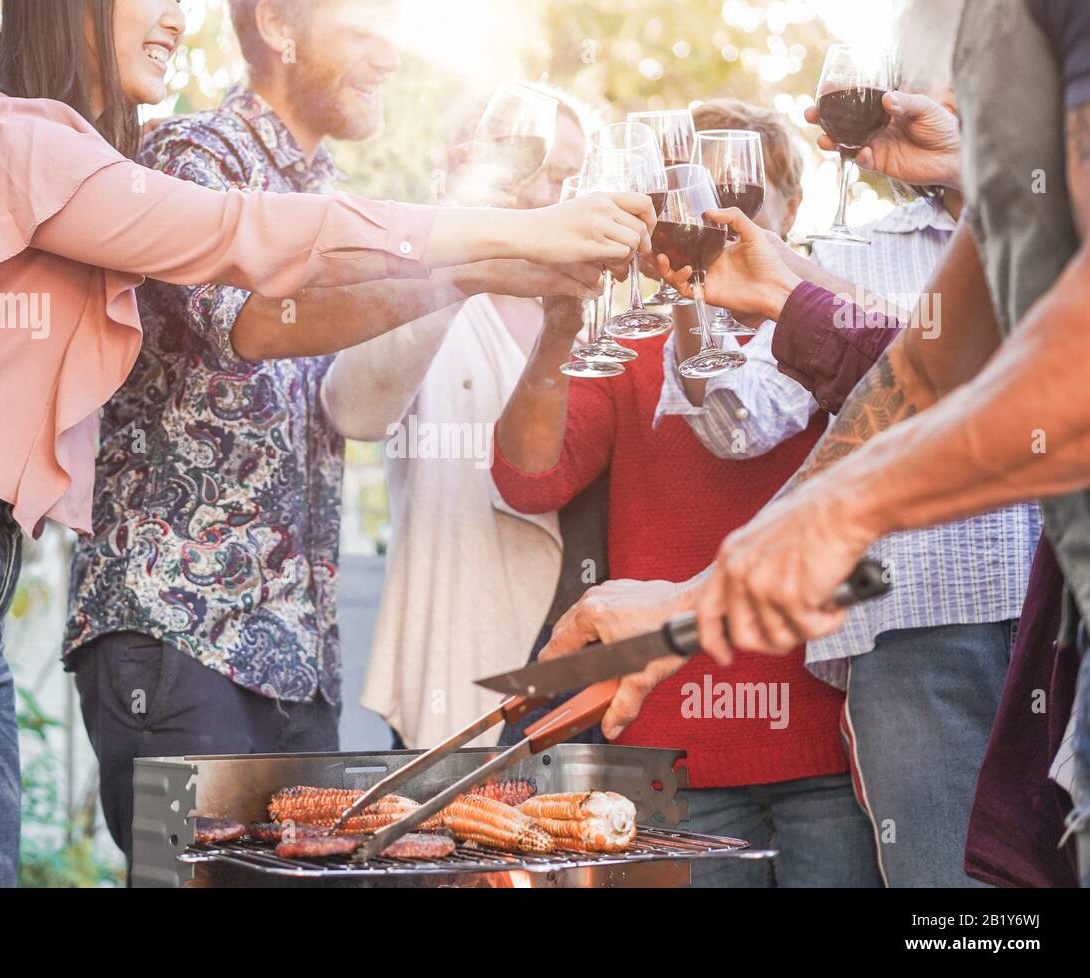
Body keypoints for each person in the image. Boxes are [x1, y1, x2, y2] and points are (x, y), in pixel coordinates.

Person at [0, 0, 655, 888]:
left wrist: (489, 267)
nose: (175, 17)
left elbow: (313, 264)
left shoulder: (74, 161)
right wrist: (518, 232)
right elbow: (242, 239)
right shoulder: (10, 130)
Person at [544, 0, 1090, 887]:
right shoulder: (985, 122)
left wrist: (820, 524)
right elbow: (923, 372)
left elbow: (1067, 367)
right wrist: (702, 589)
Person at [61, 3, 609, 863]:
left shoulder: (330, 198)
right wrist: (456, 260)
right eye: (366, 30)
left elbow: (350, 406)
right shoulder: (192, 156)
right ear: (278, 26)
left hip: (298, 655)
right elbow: (248, 322)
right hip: (181, 631)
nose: (391, 58)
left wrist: (470, 272)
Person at [490, 100, 879, 887]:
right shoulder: (635, 337)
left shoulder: (831, 329)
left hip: (827, 733)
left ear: (790, 211)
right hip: (668, 738)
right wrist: (562, 328)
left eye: (739, 196)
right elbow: (530, 478)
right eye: (691, 196)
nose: (712, 216)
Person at [320, 86, 589, 750]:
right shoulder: (414, 287)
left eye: (573, 177)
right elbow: (352, 410)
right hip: (464, 670)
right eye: (542, 170)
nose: (557, 194)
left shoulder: (602, 309)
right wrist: (458, 263)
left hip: (588, 673)